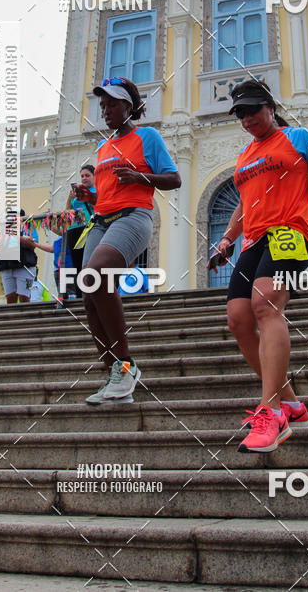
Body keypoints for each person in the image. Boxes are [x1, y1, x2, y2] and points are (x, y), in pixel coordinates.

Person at [214, 80, 308, 453]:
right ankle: (293, 406)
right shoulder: (245, 155)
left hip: (290, 234)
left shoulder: (297, 138)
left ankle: (272, 412)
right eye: (240, 113)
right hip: (253, 240)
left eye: (253, 110)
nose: (247, 119)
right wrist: (227, 238)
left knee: (265, 302)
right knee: (238, 318)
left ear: (270, 107)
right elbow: (244, 204)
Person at [73, 76, 181, 405]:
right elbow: (105, 196)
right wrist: (88, 196)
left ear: (128, 106)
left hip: (133, 217)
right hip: (101, 221)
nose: (105, 111)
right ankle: (115, 375)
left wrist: (140, 177)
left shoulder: (146, 136)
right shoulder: (103, 148)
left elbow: (174, 178)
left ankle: (125, 366)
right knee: (87, 292)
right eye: (102, 106)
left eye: (112, 105)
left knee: (97, 275)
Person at [63, 164, 96, 297]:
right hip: (74, 228)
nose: (84, 178)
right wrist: (70, 198)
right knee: (77, 263)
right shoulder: (76, 193)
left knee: (89, 261)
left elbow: (98, 206)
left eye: (87, 175)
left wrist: (86, 195)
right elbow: (67, 212)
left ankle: (93, 291)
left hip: (89, 227)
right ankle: (80, 294)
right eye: (82, 176)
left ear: (94, 176)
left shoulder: (96, 190)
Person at [0, 209, 39, 304]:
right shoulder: (2, 230)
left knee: (24, 297)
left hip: (25, 266)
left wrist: (16, 236)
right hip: (7, 265)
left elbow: (33, 245)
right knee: (10, 297)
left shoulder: (28, 227)